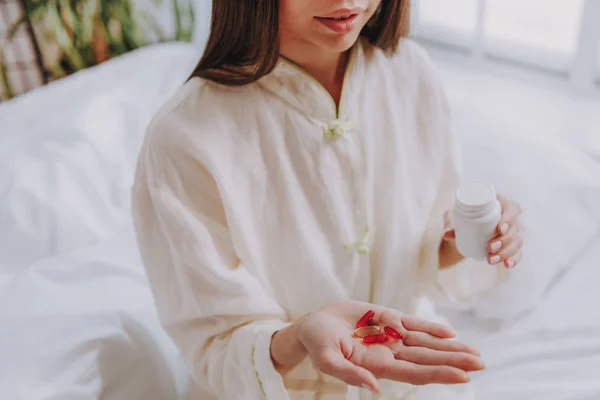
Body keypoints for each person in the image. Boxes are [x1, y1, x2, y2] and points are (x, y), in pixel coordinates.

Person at [131, 0, 524, 399]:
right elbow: (213, 345)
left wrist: (468, 238)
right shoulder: (184, 136)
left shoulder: (410, 72)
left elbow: (421, 256)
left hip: (406, 383)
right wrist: (301, 336)